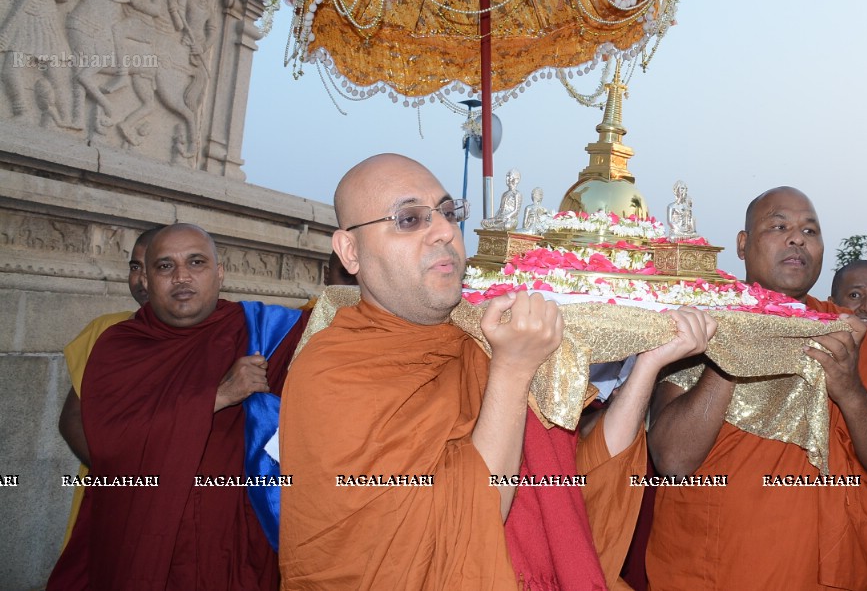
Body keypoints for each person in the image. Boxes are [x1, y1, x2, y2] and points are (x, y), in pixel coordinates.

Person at [278, 153, 715, 590]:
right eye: (410, 220)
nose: (446, 232)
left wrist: (647, 366)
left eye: (449, 213)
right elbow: (452, 532)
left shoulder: (480, 337)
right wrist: (513, 369)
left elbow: (563, 496)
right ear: (350, 251)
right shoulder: (333, 372)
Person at [646, 186, 867, 590]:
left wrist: (850, 391)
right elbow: (673, 460)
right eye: (779, 226)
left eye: (810, 231)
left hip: (829, 570)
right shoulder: (702, 325)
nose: (797, 238)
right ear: (743, 245)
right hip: (718, 566)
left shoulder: (848, 336)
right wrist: (732, 357)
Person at [48, 223, 308, 590]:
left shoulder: (263, 331)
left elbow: (346, 326)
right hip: (140, 533)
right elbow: (109, 443)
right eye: (165, 266)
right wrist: (218, 396)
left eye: (196, 262)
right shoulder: (119, 345)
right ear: (146, 280)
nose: (182, 276)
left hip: (234, 542)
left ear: (220, 273)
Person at [57, 225, 162, 548]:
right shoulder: (106, 330)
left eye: (155, 267)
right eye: (134, 267)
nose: (142, 280)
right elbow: (72, 420)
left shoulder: (215, 337)